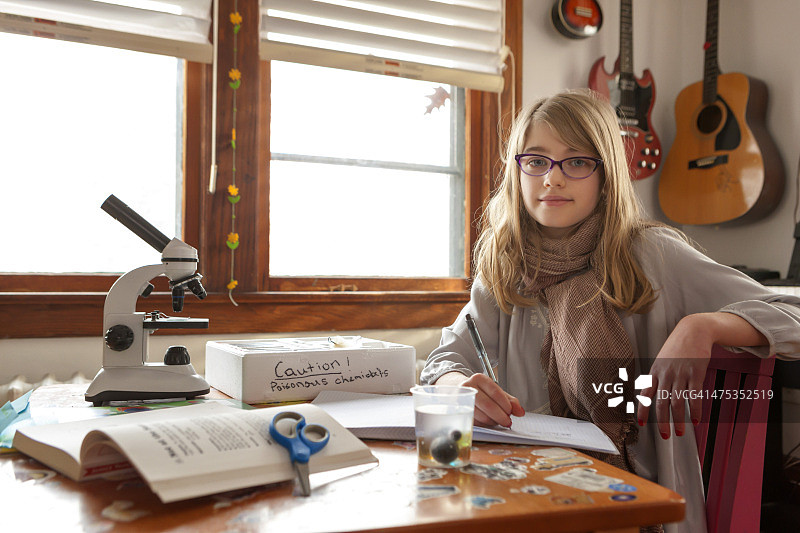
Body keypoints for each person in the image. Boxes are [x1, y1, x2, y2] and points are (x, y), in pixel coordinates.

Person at [420, 88, 800, 533]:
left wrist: (708, 325)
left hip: (639, 504)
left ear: (607, 174)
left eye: (577, 161)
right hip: (531, 491)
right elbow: (444, 360)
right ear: (517, 172)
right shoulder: (507, 265)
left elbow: (792, 310)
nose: (552, 179)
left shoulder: (652, 255)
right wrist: (459, 388)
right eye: (537, 161)